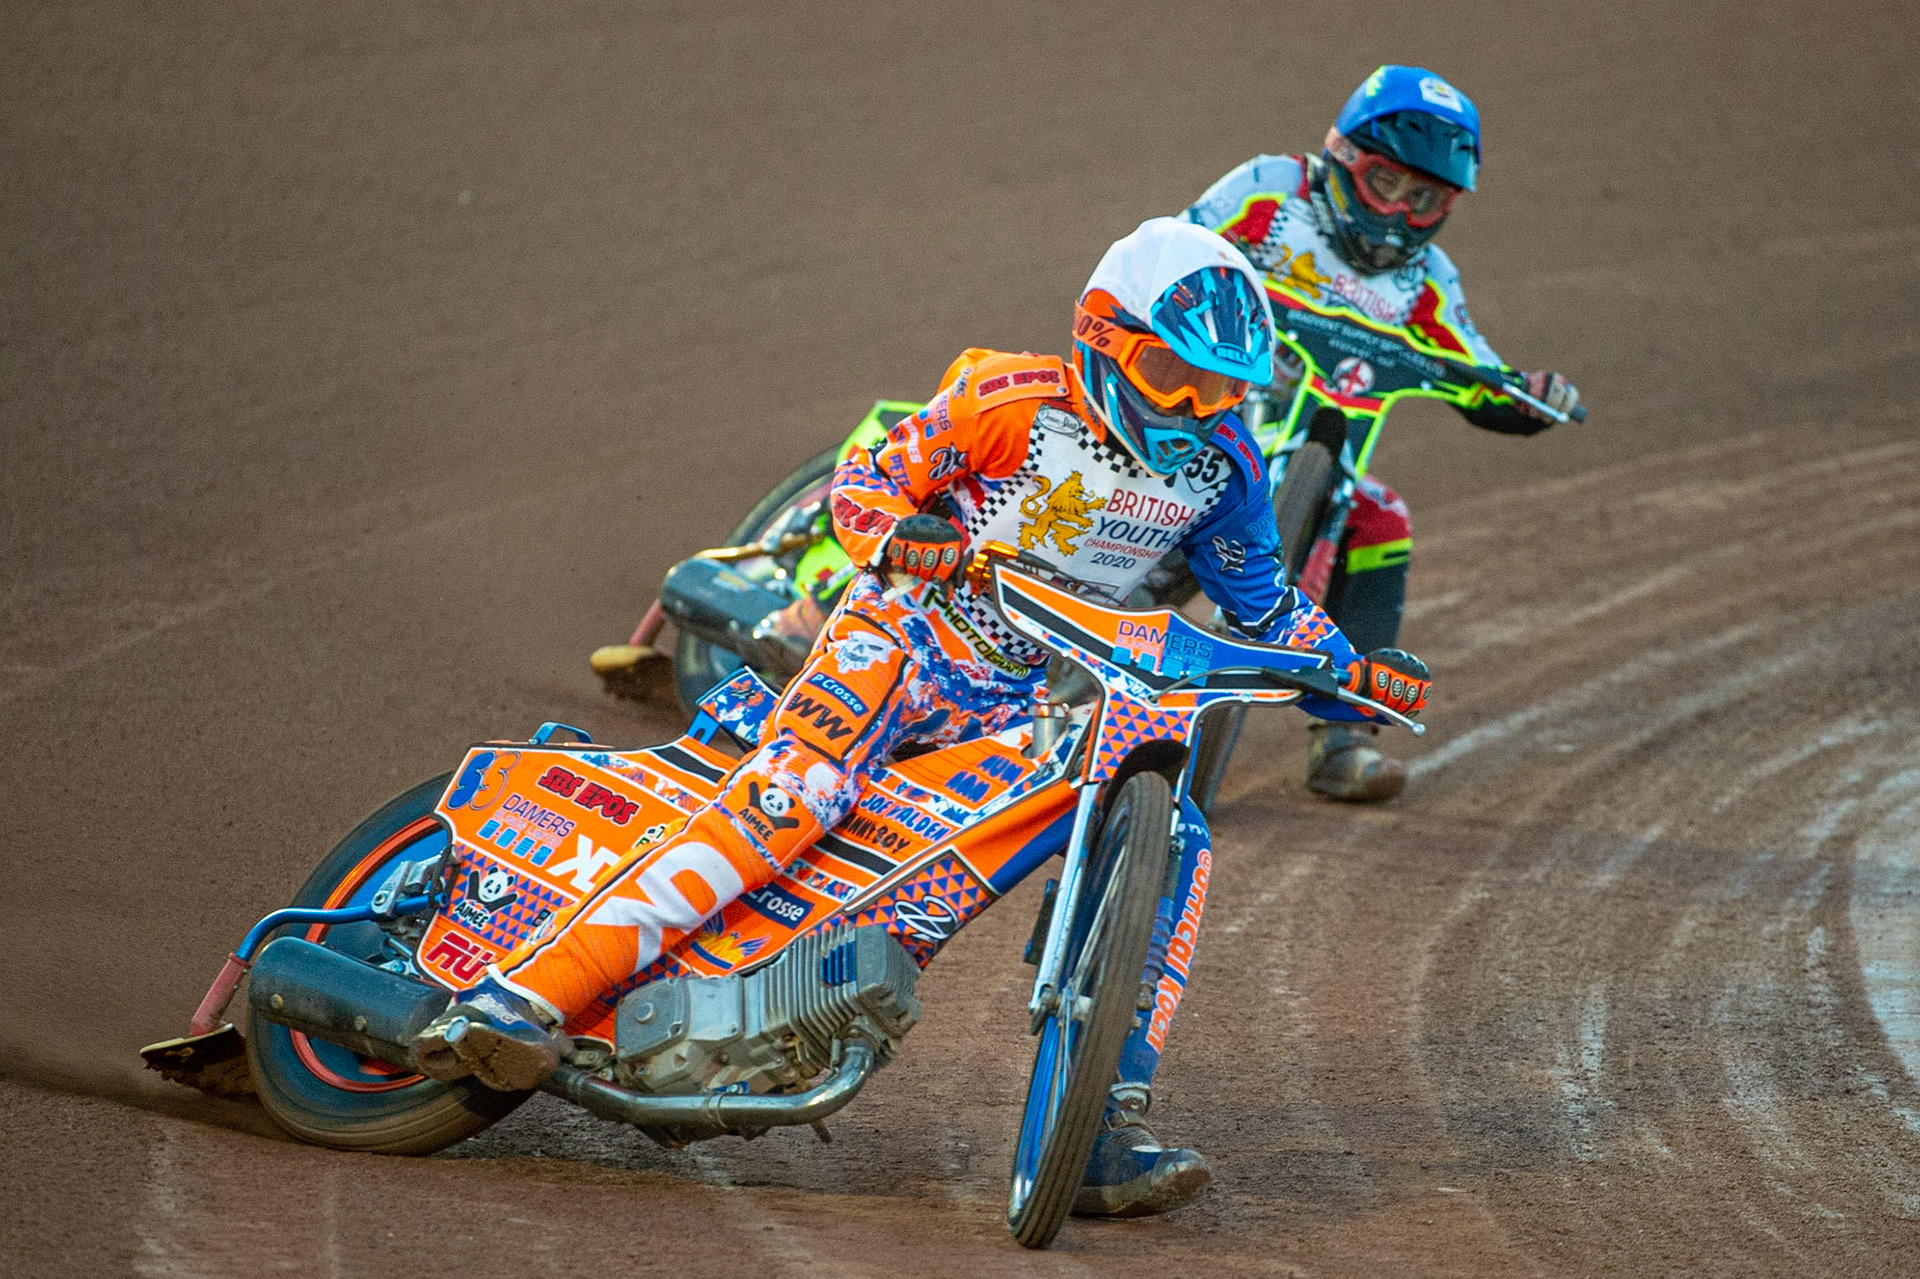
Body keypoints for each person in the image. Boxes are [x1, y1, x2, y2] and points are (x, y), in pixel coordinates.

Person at [413, 218, 1431, 1218]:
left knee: (1117, 852)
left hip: (1021, 690)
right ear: (1107, 339)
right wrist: (901, 531)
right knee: (796, 795)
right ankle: (522, 995)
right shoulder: (1009, 399)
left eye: (1223, 392)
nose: (1198, 411)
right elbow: (866, 480)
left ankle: (1104, 1125)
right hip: (898, 635)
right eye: (1179, 379)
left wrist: (1348, 670)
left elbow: (1268, 608)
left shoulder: (1229, 473)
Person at [1184, 64, 1578, 802]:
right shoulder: (1270, 191)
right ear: (1340, 156)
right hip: (1196, 414)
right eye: (1385, 183)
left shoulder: (1429, 282)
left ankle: (1346, 730)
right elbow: (1179, 248)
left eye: (1424, 198)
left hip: (1315, 450)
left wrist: (1527, 396)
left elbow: (1477, 370)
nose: (1398, 212)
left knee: (1381, 515)